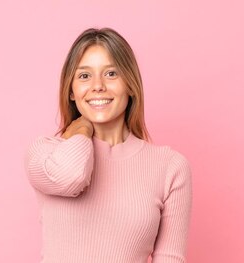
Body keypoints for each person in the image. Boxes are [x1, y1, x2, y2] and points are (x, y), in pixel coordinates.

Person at [24, 27, 193, 263]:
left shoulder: (170, 167)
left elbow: (170, 259)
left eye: (111, 73)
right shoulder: (45, 152)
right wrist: (82, 130)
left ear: (131, 84)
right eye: (84, 76)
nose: (98, 86)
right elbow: (71, 177)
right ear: (71, 92)